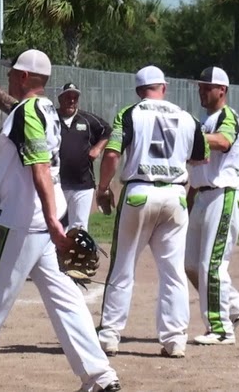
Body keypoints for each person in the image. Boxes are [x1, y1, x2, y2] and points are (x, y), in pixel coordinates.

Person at [0, 46, 121, 392]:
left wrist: (52, 220)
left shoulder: (29, 113)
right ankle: (101, 377)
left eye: (13, 72)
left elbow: (39, 166)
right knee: (67, 301)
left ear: (25, 76)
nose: (9, 76)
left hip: (18, 224)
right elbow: (12, 107)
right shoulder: (43, 109)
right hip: (42, 225)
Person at [95, 65, 209, 359]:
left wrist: (103, 188)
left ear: (138, 91)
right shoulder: (188, 117)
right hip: (175, 195)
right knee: (173, 272)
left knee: (123, 267)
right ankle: (175, 339)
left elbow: (112, 153)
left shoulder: (131, 113)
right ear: (164, 87)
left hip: (139, 192)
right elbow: (201, 157)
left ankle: (109, 335)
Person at [185, 66, 239, 346]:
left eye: (207, 87)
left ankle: (221, 328)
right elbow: (200, 167)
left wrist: (187, 137)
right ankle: (235, 306)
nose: (201, 91)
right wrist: (190, 198)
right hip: (203, 195)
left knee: (212, 264)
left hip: (224, 194)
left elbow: (224, 141)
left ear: (222, 90)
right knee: (191, 264)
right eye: (200, 87)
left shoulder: (228, 117)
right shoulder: (204, 120)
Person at [57, 83, 111, 231]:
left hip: (83, 183)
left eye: (75, 97)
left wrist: (98, 148)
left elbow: (107, 130)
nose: (71, 101)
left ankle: (77, 247)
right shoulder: (52, 118)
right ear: (60, 99)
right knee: (57, 225)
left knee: (79, 227)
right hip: (57, 184)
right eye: (68, 97)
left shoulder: (86, 119)